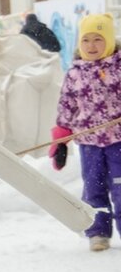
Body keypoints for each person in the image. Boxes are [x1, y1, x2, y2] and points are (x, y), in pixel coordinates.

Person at [50, 13, 121, 252]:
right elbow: (66, 107)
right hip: (89, 143)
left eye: (98, 39)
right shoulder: (75, 73)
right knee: (94, 188)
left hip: (118, 142)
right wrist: (60, 142)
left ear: (109, 41)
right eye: (86, 40)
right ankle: (98, 232)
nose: (91, 46)